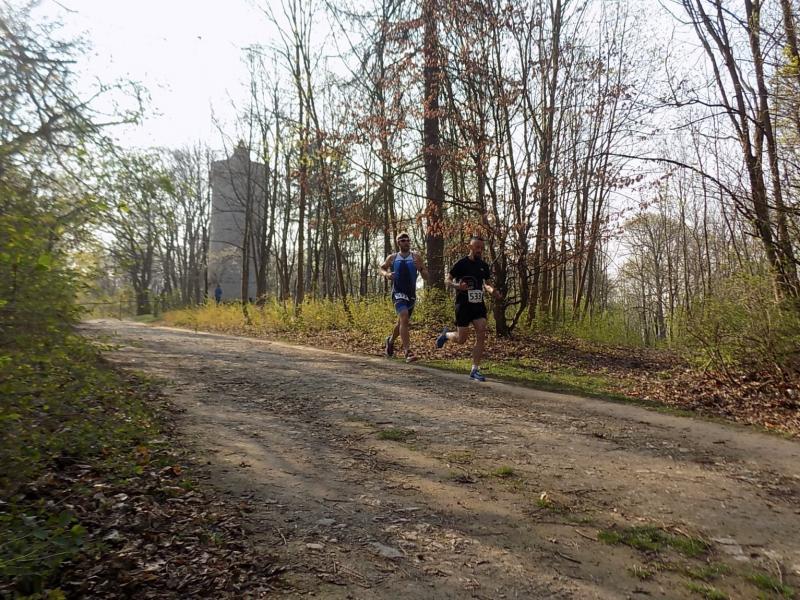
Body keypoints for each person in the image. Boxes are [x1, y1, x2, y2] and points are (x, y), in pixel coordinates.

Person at [435, 235, 501, 381]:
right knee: (461, 339)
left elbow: (487, 283)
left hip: (478, 305)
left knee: (481, 331)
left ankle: (475, 369)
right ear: (470, 247)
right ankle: (446, 335)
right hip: (463, 305)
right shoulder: (461, 264)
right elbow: (447, 280)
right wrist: (457, 286)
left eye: (481, 248)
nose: (480, 250)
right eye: (477, 247)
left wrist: (492, 291)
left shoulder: (483, 265)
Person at [379, 232, 429, 362]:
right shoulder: (392, 257)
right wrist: (387, 274)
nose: (406, 242)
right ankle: (407, 352)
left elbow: (426, 276)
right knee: (404, 316)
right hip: (398, 293)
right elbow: (382, 268)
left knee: (402, 322)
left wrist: (421, 269)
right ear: (398, 243)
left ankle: (390, 341)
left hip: (411, 295)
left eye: (407, 240)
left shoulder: (416, 257)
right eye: (403, 240)